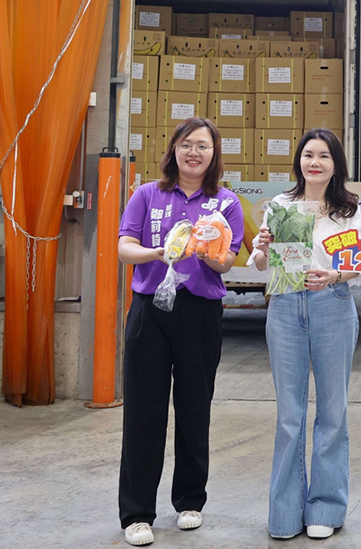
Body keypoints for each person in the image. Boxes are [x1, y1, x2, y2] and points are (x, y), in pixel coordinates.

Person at [117, 117, 244, 547]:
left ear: (214, 155)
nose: (194, 153)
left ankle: (190, 500)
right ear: (173, 149)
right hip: (149, 311)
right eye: (187, 144)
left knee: (194, 408)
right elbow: (124, 247)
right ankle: (137, 513)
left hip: (200, 312)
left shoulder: (225, 203)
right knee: (143, 412)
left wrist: (207, 249)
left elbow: (228, 262)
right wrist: (158, 252)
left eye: (203, 146)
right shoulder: (147, 194)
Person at [250, 128, 361, 541]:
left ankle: (326, 508)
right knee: (289, 415)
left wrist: (333, 274)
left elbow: (358, 264)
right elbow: (260, 263)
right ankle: (284, 513)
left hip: (333, 305)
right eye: (308, 154)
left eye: (324, 156)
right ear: (299, 161)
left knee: (333, 412)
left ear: (336, 164)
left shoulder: (348, 210)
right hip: (284, 307)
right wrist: (262, 245)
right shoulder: (280, 206)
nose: (315, 162)